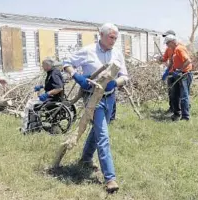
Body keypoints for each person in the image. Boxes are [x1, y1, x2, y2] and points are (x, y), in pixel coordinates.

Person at [63, 23, 129, 193]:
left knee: (98, 130)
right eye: (111, 37)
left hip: (110, 98)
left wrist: (115, 82)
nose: (113, 40)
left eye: (115, 37)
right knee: (103, 135)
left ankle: (85, 159)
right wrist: (76, 76)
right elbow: (66, 62)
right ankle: (110, 178)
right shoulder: (88, 50)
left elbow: (125, 76)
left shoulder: (117, 53)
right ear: (101, 35)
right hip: (93, 98)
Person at [21, 58, 64, 134]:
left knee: (30, 104)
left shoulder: (54, 73)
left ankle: (27, 128)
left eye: (43, 65)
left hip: (53, 99)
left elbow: (59, 88)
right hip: (53, 97)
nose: (42, 67)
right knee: (33, 103)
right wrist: (42, 86)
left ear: (47, 66)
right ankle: (34, 126)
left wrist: (47, 94)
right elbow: (51, 85)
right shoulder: (53, 72)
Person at [164, 34, 193, 121]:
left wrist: (180, 70)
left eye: (167, 43)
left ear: (172, 42)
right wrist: (172, 71)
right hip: (177, 74)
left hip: (185, 74)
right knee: (174, 94)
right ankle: (176, 114)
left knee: (184, 96)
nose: (167, 46)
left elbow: (188, 61)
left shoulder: (179, 48)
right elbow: (174, 62)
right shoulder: (174, 50)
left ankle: (185, 117)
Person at [158, 30, 176, 113]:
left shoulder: (179, 48)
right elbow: (164, 59)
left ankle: (180, 110)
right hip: (170, 71)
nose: (166, 41)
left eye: (167, 38)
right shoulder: (168, 49)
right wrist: (159, 59)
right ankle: (171, 108)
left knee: (179, 93)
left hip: (179, 73)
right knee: (170, 91)